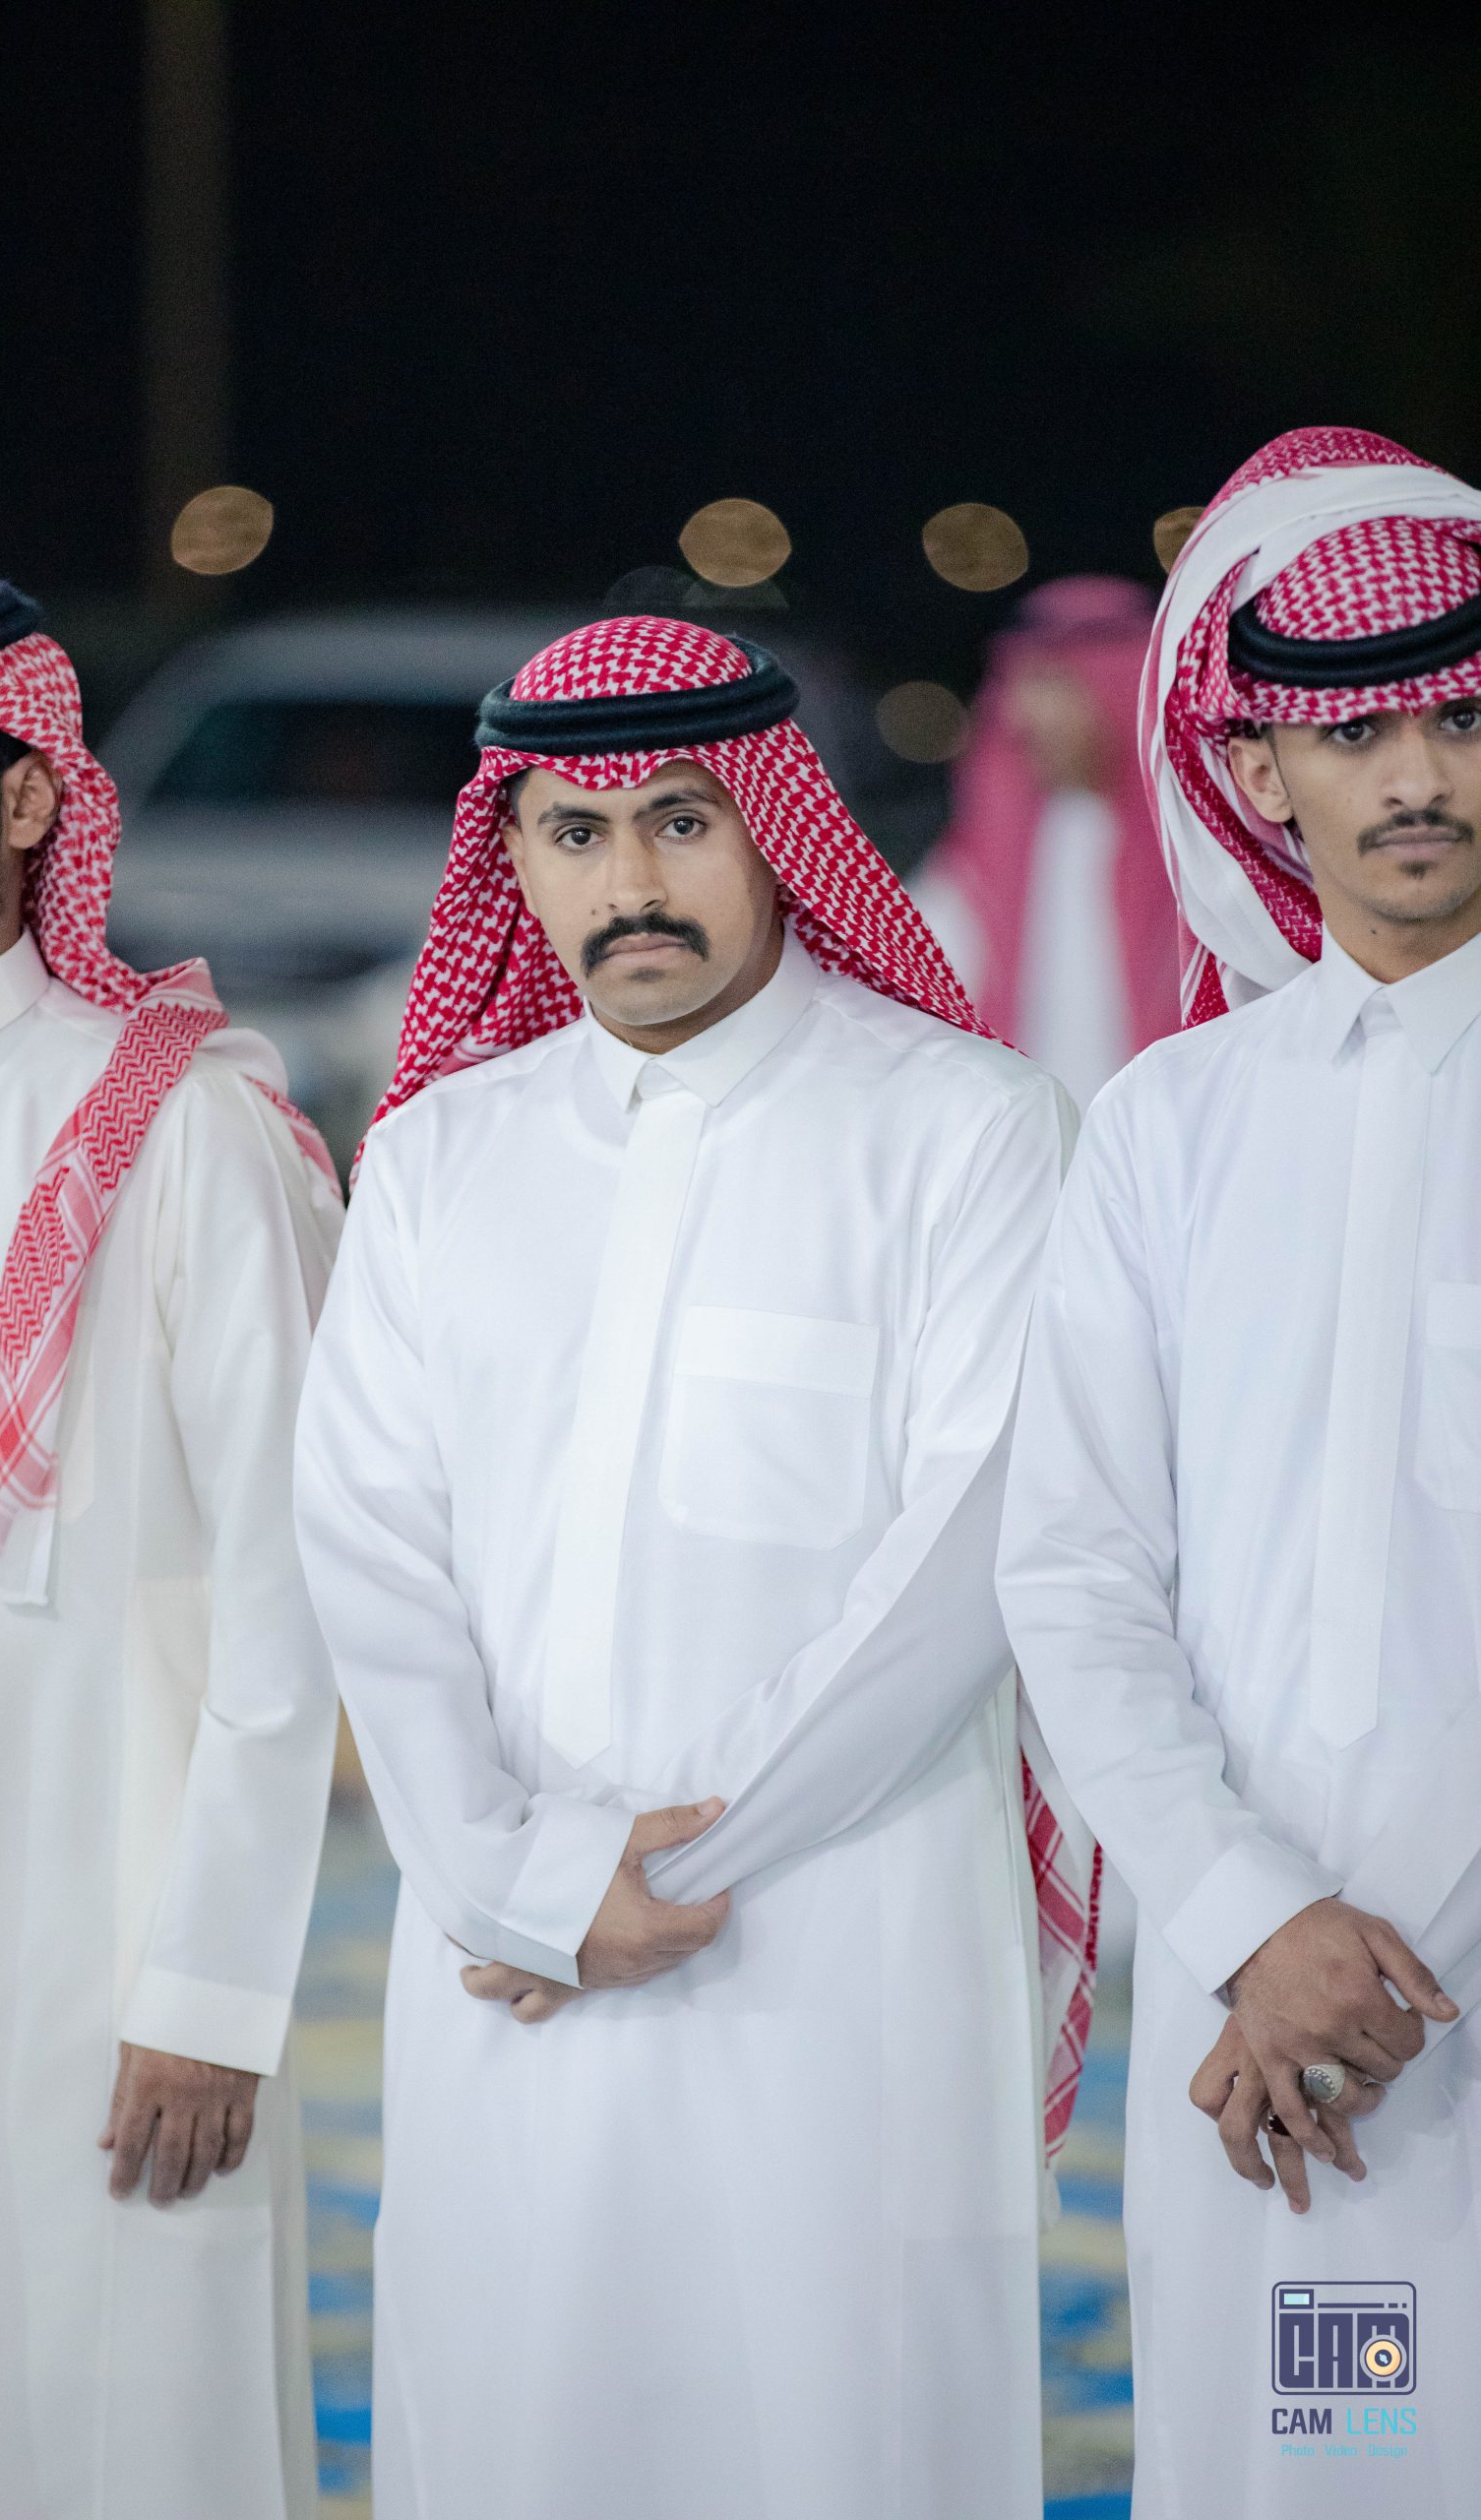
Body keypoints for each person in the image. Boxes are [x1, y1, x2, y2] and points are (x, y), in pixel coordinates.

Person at [293, 615, 1098, 2520]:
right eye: (574, 835)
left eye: (678, 821)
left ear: (772, 828)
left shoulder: (960, 1129)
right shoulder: (441, 1156)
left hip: (836, 1947)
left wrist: (646, 1880)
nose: (628, 882)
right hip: (505, 1960)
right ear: (510, 859)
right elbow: (366, 1546)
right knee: (515, 2434)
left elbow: (963, 1557)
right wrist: (515, 1877)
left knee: (835, 2437)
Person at [0, 576, 341, 2520]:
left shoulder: (181, 1128)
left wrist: (209, 1989)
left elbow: (294, 1597)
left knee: (100, 2422)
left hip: (90, 1967)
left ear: (31, 800)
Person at [997, 426, 1481, 2514]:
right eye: (1353, 732)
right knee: (1313, 2460)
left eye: (1460, 718)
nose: (1415, 775)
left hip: (1355, 2005)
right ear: (1255, 770)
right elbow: (1074, 1570)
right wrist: (1247, 1917)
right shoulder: (1167, 1126)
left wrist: (1343, 1964)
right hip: (1262, 2019)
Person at [911, 576, 1178, 1107]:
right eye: (1018, 685)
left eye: (1052, 685)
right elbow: (916, 963)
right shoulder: (996, 844)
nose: (1020, 715)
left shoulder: (1190, 844)